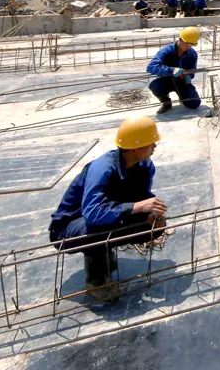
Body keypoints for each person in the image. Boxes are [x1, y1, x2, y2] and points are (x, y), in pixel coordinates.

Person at [49, 116, 168, 301]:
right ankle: (96, 283)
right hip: (69, 228)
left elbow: (141, 197)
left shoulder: (144, 165)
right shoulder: (102, 168)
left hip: (101, 217)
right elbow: (92, 213)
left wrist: (151, 212)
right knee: (99, 228)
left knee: (151, 224)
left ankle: (105, 254)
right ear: (134, 147)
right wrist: (136, 207)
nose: (155, 146)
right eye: (151, 143)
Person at [147, 27, 201, 115]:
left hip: (182, 81)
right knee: (155, 86)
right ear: (180, 39)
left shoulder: (192, 54)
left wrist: (189, 76)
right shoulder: (167, 51)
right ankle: (166, 102)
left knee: (194, 104)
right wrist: (171, 70)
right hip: (166, 81)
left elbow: (192, 70)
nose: (188, 47)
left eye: (191, 45)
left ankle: (182, 96)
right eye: (187, 44)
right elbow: (151, 67)